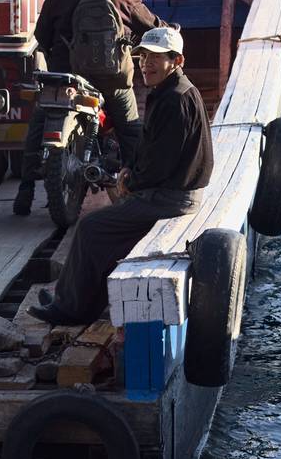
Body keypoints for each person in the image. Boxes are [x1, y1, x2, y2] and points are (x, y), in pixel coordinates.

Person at [29, 26, 214, 326]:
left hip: (172, 200)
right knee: (104, 227)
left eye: (156, 58)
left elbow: (160, 164)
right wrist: (131, 171)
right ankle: (76, 303)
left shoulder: (174, 100)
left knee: (91, 228)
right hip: (170, 193)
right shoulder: (172, 92)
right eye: (143, 57)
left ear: (177, 61)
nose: (146, 63)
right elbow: (152, 152)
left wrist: (130, 182)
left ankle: (71, 310)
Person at [13, 0, 160, 216]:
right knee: (130, 129)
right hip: (112, 80)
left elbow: (41, 35)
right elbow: (150, 28)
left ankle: (25, 191)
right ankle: (139, 190)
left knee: (40, 123)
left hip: (65, 79)